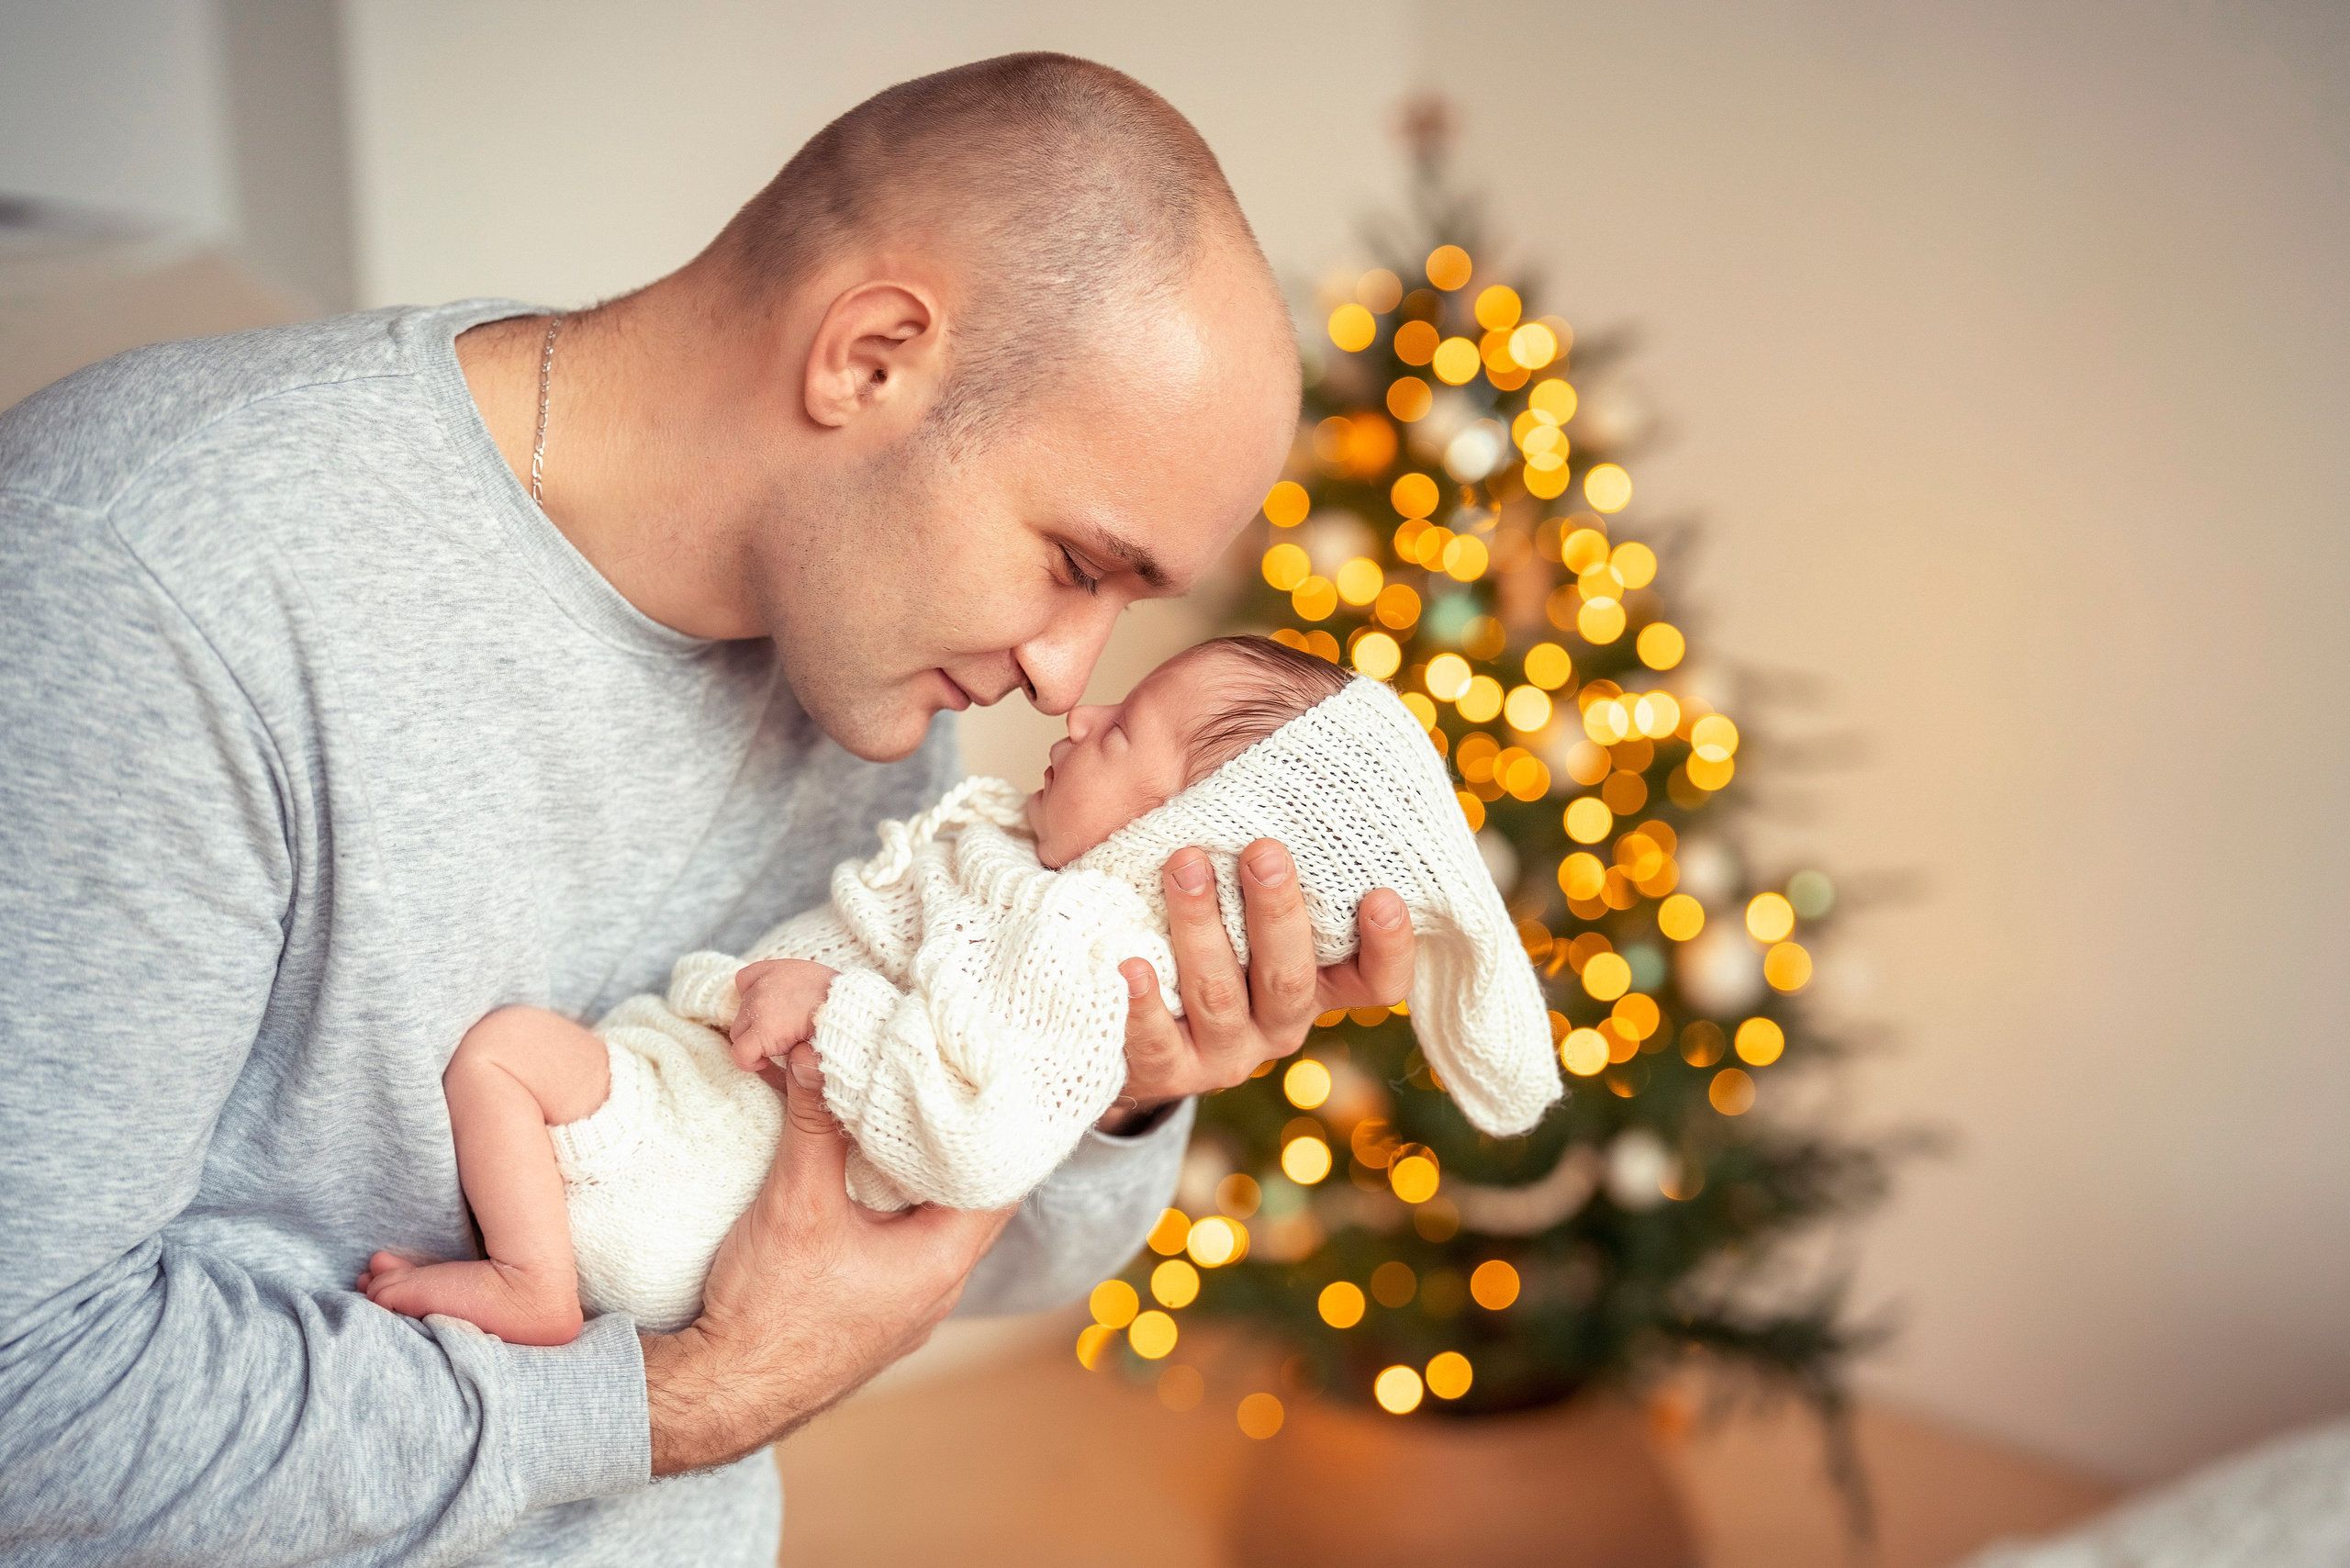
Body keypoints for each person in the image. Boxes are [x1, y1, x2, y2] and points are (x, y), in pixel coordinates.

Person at [0, 53, 1416, 1567]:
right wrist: (685, 1399)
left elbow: (944, 1252)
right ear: (870, 358)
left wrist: (1125, 1082)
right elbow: (32, 1408)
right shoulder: (150, 573)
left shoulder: (864, 663)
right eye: (1077, 565)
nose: (1069, 684)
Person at [355, 636, 1561, 1345]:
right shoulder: (1023, 865)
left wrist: (830, 1011)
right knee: (517, 1057)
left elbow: (983, 1146)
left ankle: (535, 1284)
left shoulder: (1079, 937)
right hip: (692, 1115)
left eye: (1126, 728)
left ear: (1176, 835)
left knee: (506, 1052)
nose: (1078, 708)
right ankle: (537, 1272)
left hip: (696, 1174)